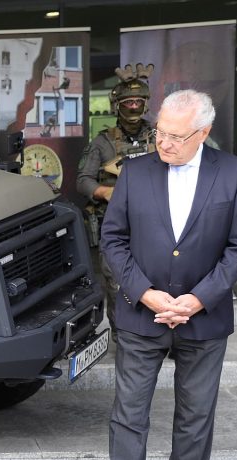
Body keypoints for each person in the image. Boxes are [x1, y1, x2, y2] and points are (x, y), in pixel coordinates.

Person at [72, 90, 237, 460]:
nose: (164, 143)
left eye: (176, 136)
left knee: (196, 413)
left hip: (205, 317)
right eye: (160, 132)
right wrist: (146, 293)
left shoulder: (233, 173)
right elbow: (113, 240)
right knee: (128, 412)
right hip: (142, 315)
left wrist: (198, 299)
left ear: (203, 133)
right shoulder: (134, 173)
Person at [77, 64, 157, 339]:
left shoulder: (162, 137)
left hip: (157, 225)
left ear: (145, 103)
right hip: (116, 224)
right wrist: (106, 193)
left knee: (157, 279)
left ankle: (158, 333)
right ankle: (124, 335)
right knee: (116, 282)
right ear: (117, 105)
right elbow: (83, 180)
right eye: (128, 101)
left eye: (138, 101)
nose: (133, 107)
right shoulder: (103, 142)